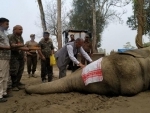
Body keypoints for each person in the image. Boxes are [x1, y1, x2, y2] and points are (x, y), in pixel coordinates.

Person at [9, 25, 26, 91]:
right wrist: (21, 45)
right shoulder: (11, 36)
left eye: (21, 29)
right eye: (19, 29)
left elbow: (22, 48)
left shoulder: (21, 37)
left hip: (20, 56)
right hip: (14, 57)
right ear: (14, 30)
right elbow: (12, 45)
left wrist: (24, 55)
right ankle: (13, 85)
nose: (21, 31)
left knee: (20, 70)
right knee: (14, 71)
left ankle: (18, 83)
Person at [0, 18, 11, 102]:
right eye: (6, 24)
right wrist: (8, 47)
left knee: (5, 76)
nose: (8, 26)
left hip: (6, 57)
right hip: (1, 57)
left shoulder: (4, 34)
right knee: (1, 76)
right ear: (1, 24)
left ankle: (4, 92)